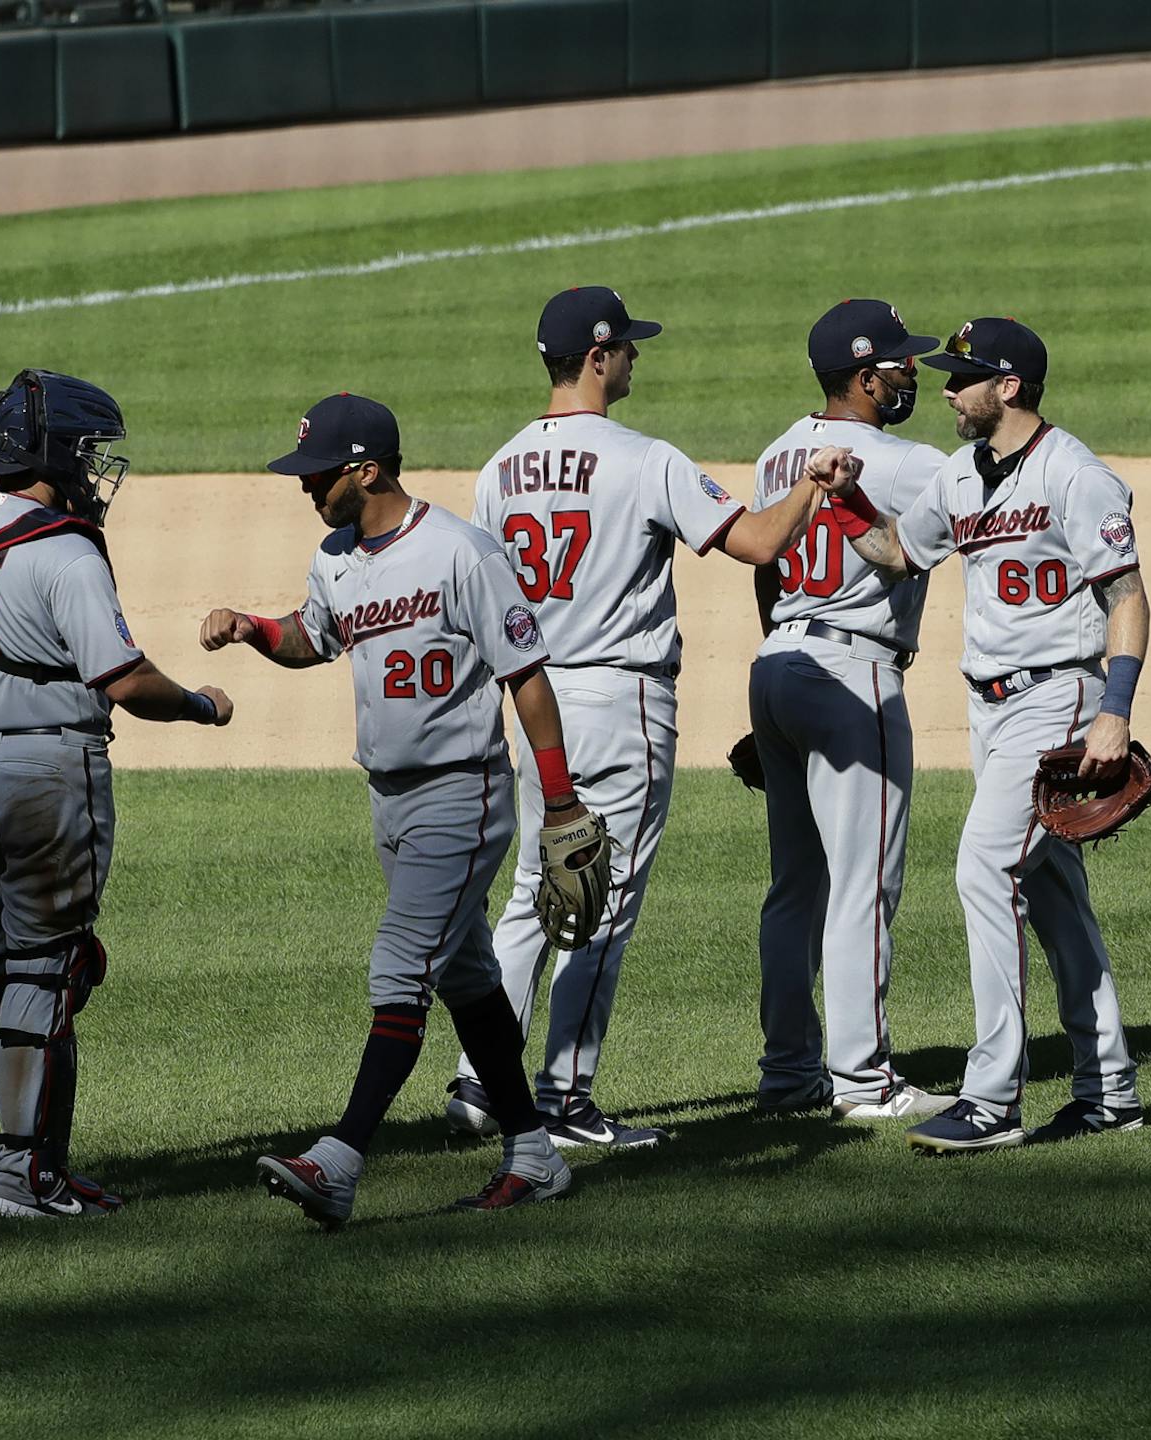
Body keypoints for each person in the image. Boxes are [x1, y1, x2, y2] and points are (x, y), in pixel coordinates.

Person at [448, 286, 854, 1149]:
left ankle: (482, 1085)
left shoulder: (496, 469)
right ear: (595, 357)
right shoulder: (644, 458)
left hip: (537, 702)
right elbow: (759, 544)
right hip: (622, 699)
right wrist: (815, 489)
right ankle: (563, 1101)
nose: (636, 357)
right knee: (604, 896)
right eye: (626, 347)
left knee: (531, 891)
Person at [202, 392, 597, 1224]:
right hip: (388, 797)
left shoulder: (461, 551)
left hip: (463, 792)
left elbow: (526, 675)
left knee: (401, 967)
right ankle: (532, 1151)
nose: (307, 488)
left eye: (319, 475)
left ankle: (339, 1160)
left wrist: (558, 804)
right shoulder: (335, 557)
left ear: (367, 469)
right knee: (465, 975)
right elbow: (317, 635)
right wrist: (251, 630)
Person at [0, 368, 233, 1219]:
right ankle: (25, 1177)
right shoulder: (68, 552)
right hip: (48, 776)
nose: (97, 468)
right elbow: (125, 679)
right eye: (91, 451)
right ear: (62, 454)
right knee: (45, 966)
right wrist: (200, 707)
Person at [820, 317, 1151, 1151]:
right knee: (1052, 894)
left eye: (961, 375)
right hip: (990, 710)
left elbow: (1128, 597)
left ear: (1009, 385)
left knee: (984, 867)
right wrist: (845, 497)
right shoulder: (963, 477)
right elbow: (898, 553)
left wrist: (1115, 710)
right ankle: (1110, 1086)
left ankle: (993, 1096)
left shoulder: (1076, 474)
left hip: (1062, 697)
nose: (944, 388)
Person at [747, 299, 955, 1122]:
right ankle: (864, 1081)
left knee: (795, 886)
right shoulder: (906, 461)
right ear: (865, 379)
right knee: (863, 883)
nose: (913, 373)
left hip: (779, 662)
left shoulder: (775, 454)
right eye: (901, 364)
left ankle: (788, 1072)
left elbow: (764, 567)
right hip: (852, 674)